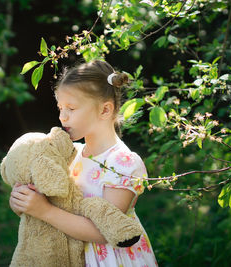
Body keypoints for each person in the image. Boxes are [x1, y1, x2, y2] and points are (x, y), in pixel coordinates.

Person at [9, 60, 158, 266]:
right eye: (60, 108)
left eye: (71, 108)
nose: (62, 117)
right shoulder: (73, 155)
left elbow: (104, 232)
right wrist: (26, 199)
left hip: (112, 260)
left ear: (105, 110)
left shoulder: (123, 163)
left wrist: (45, 211)